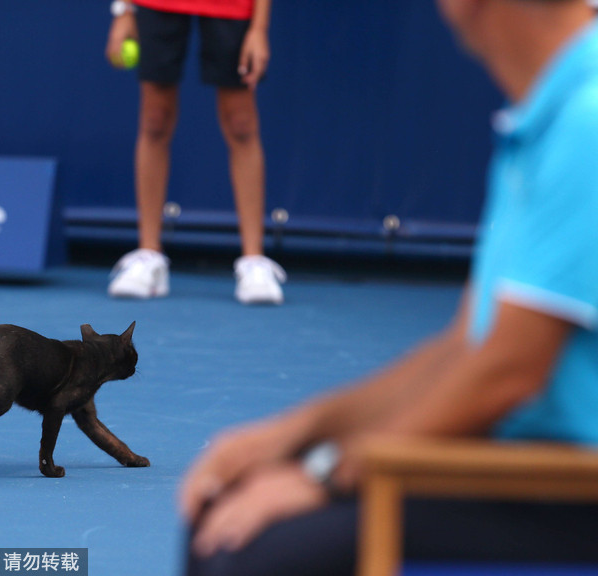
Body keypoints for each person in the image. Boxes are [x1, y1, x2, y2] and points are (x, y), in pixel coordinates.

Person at [180, 0, 598, 573]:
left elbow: (509, 372)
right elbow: (466, 348)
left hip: (568, 493)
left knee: (247, 554)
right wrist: (295, 433)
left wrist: (325, 475)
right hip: (527, 472)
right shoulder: (549, 110)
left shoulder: (586, 121)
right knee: (221, 516)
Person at [104, 0, 287, 305]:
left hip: (234, 7)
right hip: (156, 5)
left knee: (241, 124)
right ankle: (149, 255)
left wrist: (259, 27)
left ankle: (253, 261)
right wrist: (123, 10)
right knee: (154, 120)